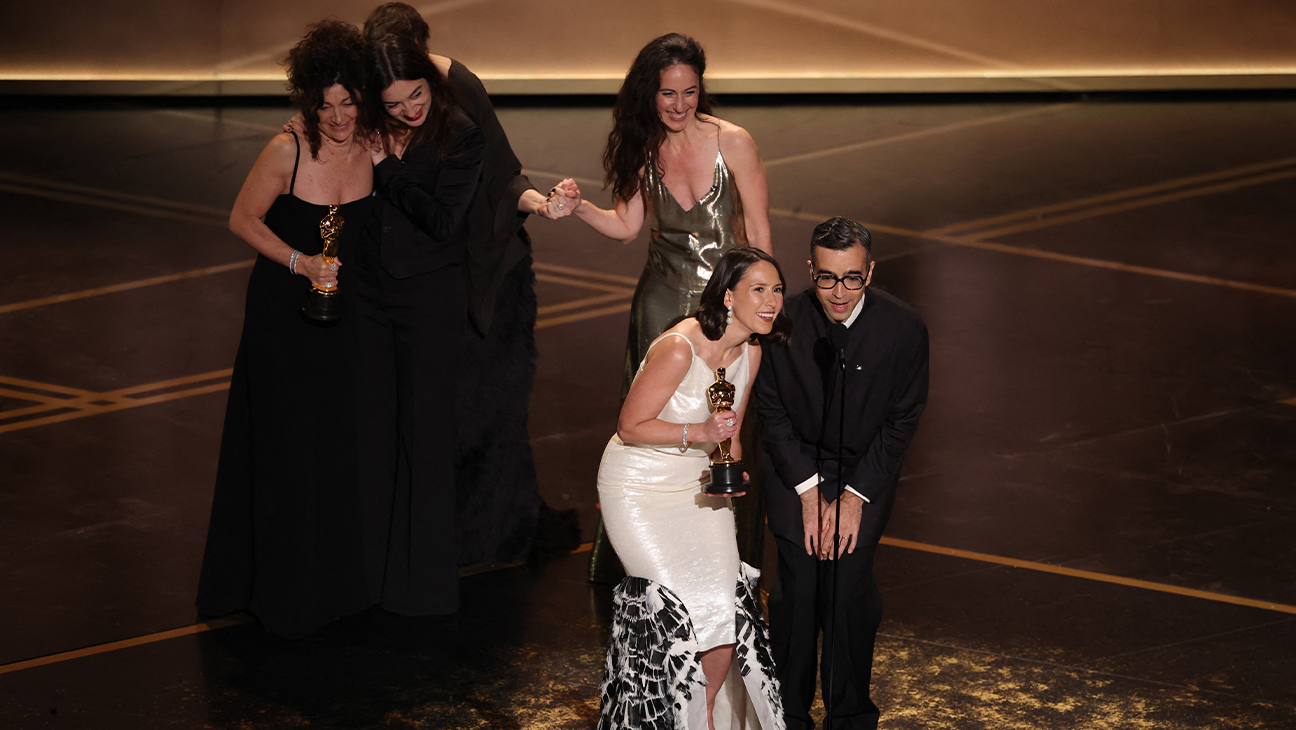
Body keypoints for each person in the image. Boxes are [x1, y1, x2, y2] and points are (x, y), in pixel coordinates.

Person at [550, 33, 772, 581]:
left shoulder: (735, 142)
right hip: (659, 305)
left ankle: (723, 558)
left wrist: (760, 305)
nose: (679, 105)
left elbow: (761, 232)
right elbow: (627, 227)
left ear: (701, 90)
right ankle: (646, 553)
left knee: (723, 422)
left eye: (690, 92)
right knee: (656, 421)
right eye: (668, 93)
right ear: (649, 93)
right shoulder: (640, 148)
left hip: (724, 305)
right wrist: (579, 209)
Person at [361, 2, 565, 567]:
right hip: (414, 277)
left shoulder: (456, 87)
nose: (407, 107)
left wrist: (540, 205)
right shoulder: (370, 97)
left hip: (483, 271)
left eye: (415, 88)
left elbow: (503, 171)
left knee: (483, 408)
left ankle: (487, 534)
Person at [196, 20, 374, 638]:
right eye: (324, 105)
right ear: (307, 102)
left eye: (348, 101)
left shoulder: (377, 146)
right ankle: (279, 586)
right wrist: (300, 262)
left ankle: (339, 581)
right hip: (283, 315)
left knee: (339, 446)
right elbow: (241, 219)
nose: (337, 117)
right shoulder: (287, 149)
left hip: (349, 317)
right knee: (285, 446)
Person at [596, 247, 789, 730]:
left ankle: (698, 719)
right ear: (728, 296)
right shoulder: (679, 346)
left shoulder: (753, 352)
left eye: (777, 290)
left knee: (723, 609)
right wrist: (697, 434)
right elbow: (630, 425)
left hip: (699, 486)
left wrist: (732, 470)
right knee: (673, 616)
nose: (771, 302)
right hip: (640, 486)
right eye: (758, 290)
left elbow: (731, 433)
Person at [754, 218, 929, 729]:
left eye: (851, 277)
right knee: (799, 588)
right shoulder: (781, 324)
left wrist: (853, 496)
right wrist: (809, 493)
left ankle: (851, 717)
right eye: (826, 278)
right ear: (810, 270)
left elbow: (902, 419)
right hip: (796, 470)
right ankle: (786, 717)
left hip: (863, 471)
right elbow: (772, 412)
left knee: (848, 588)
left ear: (870, 272)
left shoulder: (905, 328)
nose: (838, 291)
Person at [352, 35, 486, 615]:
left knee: (426, 438)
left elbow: (442, 221)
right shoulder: (361, 126)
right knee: (372, 432)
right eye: (395, 104)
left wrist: (385, 168)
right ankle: (367, 572)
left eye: (417, 95)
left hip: (430, 299)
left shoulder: (461, 135)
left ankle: (424, 588)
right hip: (368, 294)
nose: (410, 110)